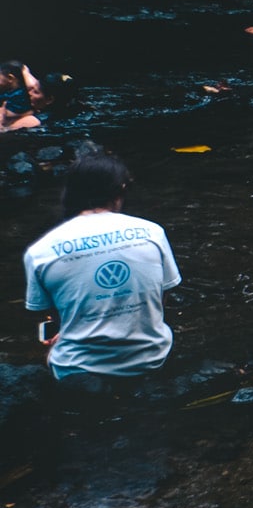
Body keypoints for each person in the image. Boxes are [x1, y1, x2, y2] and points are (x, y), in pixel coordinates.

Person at [23, 152, 181, 387]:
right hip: (151, 359)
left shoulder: (41, 251)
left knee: (51, 353)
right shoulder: (152, 232)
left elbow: (47, 311)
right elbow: (161, 297)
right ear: (121, 188)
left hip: (78, 369)